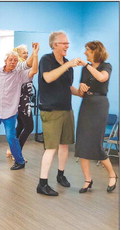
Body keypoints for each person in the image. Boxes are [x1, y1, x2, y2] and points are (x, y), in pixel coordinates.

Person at [0, 43, 39, 170]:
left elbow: (34, 70)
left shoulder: (19, 75)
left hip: (10, 112)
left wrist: (35, 54)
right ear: (5, 61)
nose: (13, 62)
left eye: (15, 60)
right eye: (11, 60)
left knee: (11, 137)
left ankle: (20, 161)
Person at [37, 31, 81, 196]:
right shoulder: (46, 60)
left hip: (66, 109)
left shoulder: (67, 63)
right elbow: (48, 78)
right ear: (55, 45)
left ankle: (60, 175)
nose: (67, 46)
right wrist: (67, 66)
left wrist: (81, 92)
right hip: (51, 110)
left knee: (64, 145)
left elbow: (68, 87)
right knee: (51, 148)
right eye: (64, 43)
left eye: (68, 43)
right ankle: (42, 184)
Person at [75, 41, 117, 193]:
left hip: (100, 105)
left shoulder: (107, 66)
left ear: (95, 51)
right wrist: (81, 87)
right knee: (82, 143)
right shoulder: (85, 69)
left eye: (87, 50)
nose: (85, 53)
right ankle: (87, 179)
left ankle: (112, 174)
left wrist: (87, 66)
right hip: (86, 104)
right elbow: (81, 93)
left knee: (96, 143)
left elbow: (101, 78)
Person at [6, 44, 35, 159]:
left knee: (21, 125)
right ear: (18, 54)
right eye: (24, 53)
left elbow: (31, 64)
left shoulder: (21, 65)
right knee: (29, 127)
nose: (27, 55)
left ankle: (11, 149)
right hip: (22, 101)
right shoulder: (19, 65)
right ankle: (17, 153)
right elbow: (30, 63)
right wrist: (35, 52)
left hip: (22, 100)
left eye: (27, 52)